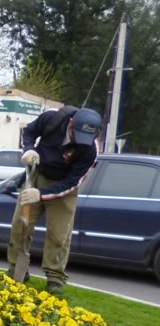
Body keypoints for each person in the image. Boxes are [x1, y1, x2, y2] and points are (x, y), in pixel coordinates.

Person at [7, 106, 102, 294]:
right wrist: (28, 149)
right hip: (37, 176)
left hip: (63, 187)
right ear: (72, 123)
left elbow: (72, 183)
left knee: (59, 234)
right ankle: (18, 267)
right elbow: (28, 131)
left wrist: (41, 194)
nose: (79, 141)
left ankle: (55, 277)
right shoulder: (52, 118)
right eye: (77, 134)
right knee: (20, 224)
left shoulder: (90, 150)